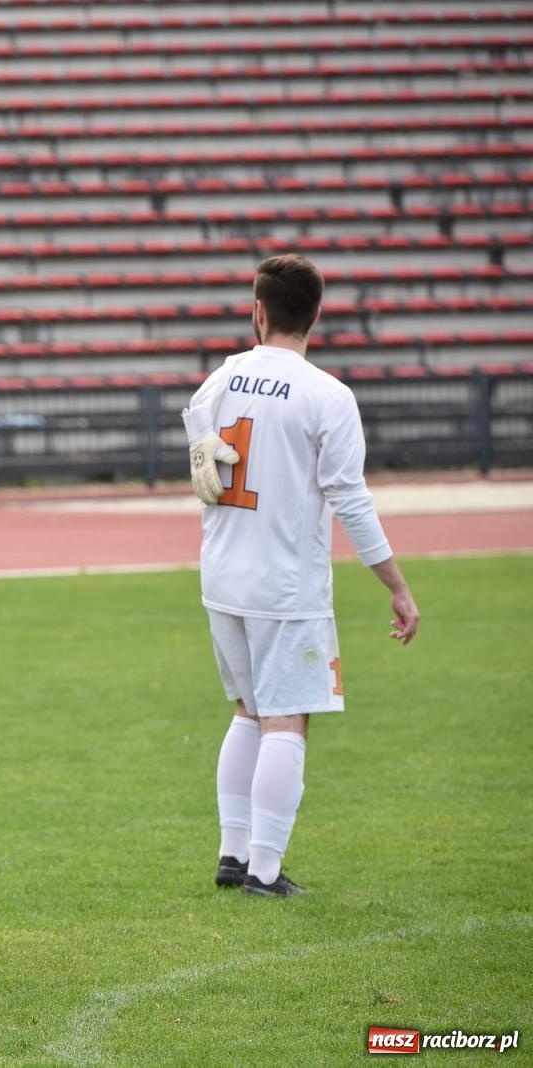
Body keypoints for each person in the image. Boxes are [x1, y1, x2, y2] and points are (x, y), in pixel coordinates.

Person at [183, 254, 420, 896]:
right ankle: (264, 869)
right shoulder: (327, 395)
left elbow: (201, 456)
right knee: (287, 721)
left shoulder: (220, 379)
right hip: (285, 585)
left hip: (222, 575)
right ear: (315, 316)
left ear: (258, 311)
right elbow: (350, 498)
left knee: (247, 711)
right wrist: (396, 585)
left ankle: (232, 856)